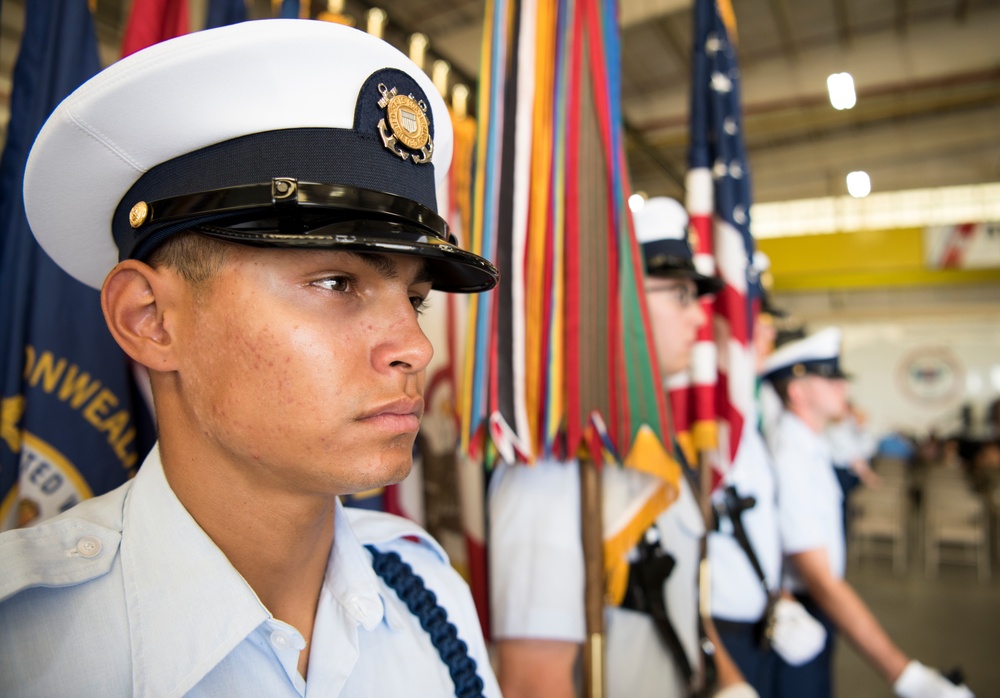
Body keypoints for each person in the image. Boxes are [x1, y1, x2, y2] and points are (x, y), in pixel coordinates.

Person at [0, 20, 502, 697]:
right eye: (336, 283)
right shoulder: (27, 642)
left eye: (413, 299)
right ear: (150, 320)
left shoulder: (430, 599)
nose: (416, 348)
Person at [488, 196, 755, 698]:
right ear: (622, 301)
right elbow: (533, 682)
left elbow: (682, 603)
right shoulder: (557, 464)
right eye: (679, 295)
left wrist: (730, 683)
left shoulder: (657, 443)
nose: (699, 321)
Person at [762, 328, 975, 698]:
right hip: (805, 607)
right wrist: (904, 674)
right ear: (797, 392)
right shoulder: (791, 457)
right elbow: (821, 579)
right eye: (829, 380)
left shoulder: (811, 444)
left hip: (820, 604)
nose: (843, 388)